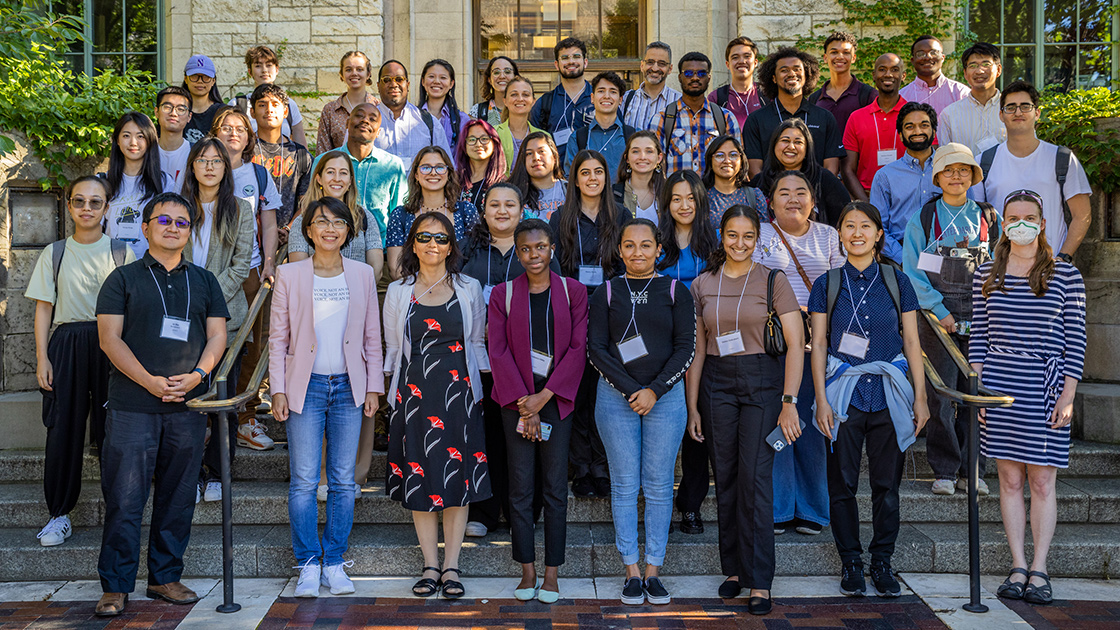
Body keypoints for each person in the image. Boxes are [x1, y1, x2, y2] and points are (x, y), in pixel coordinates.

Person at [93, 192, 229, 617]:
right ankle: (115, 586)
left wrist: (198, 376)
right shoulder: (123, 278)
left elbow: (218, 336)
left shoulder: (204, 280)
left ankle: (164, 577)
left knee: (178, 497)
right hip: (133, 405)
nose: (173, 228)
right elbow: (109, 339)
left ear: (190, 232)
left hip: (187, 409)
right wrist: (149, 381)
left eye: (182, 222)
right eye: (164, 220)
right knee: (125, 498)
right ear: (147, 227)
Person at [686, 204, 804, 614]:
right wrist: (692, 406)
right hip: (716, 383)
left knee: (756, 477)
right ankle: (734, 570)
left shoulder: (774, 280)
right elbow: (697, 349)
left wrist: (789, 402)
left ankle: (760, 580)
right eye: (732, 235)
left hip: (762, 382)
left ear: (758, 239)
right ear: (722, 237)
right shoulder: (701, 284)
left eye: (748, 236)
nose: (739, 243)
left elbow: (794, 346)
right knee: (728, 476)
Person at [971, 190, 1086, 606]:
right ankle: (1017, 565)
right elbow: (979, 340)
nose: (1021, 223)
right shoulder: (987, 271)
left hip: (1046, 385)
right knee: (1009, 479)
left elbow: (1077, 338)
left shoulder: (1065, 274)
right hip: (1000, 385)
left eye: (1029, 216)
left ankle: (1039, 567)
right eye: (1013, 216)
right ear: (1002, 222)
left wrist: (1068, 394)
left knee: (1041, 479)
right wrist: (978, 392)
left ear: (1042, 221)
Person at [808, 201, 928, 599]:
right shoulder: (826, 284)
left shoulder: (898, 282)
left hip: (890, 393)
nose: (856, 233)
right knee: (841, 483)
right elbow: (820, 344)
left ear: (879, 234)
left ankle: (882, 561)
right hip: (844, 393)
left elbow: (912, 342)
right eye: (848, 226)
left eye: (865, 226)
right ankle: (851, 562)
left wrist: (921, 398)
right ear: (839, 234)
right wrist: (821, 401)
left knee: (886, 485)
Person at [269, 197, 382, 597]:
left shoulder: (363, 274)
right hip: (306, 386)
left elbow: (372, 335)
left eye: (338, 222)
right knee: (302, 481)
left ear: (349, 231)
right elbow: (278, 338)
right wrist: (278, 388)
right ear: (309, 230)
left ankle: (334, 561)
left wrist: (373, 386)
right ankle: (307, 564)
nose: (330, 228)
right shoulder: (289, 274)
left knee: (342, 480)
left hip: (349, 386)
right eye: (321, 222)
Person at [384, 212, 491, 600]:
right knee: (421, 478)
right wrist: (390, 396)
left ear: (452, 246)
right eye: (425, 237)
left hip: (459, 395)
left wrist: (481, 391)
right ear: (413, 243)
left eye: (441, 238)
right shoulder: (399, 291)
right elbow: (394, 350)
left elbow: (477, 343)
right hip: (413, 395)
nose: (433, 244)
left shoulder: (469, 287)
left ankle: (452, 567)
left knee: (457, 481)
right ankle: (430, 565)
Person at [589, 218, 696, 606]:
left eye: (645, 245)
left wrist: (654, 390)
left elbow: (686, 348)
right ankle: (631, 571)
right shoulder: (606, 293)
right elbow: (596, 350)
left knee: (657, 484)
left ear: (658, 249)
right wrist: (634, 390)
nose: (637, 252)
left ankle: (654, 570)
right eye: (629, 245)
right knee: (624, 485)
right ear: (619, 250)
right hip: (616, 398)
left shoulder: (675, 291)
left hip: (665, 400)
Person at [26, 177, 136, 548]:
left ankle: (120, 513)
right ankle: (58, 514)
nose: (87, 208)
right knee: (63, 429)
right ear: (69, 207)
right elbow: (44, 309)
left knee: (115, 431)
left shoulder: (122, 253)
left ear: (107, 208)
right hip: (67, 343)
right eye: (79, 202)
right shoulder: (54, 253)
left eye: (95, 202)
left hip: (112, 345)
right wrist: (43, 357)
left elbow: (134, 312)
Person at [487, 219, 588, 604]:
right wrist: (523, 405)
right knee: (520, 487)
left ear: (552, 249)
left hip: (555, 402)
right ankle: (526, 569)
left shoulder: (573, 292)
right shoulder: (503, 294)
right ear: (517, 251)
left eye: (540, 247)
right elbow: (497, 351)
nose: (534, 255)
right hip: (515, 403)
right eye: (526, 249)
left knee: (554, 489)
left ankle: (551, 573)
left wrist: (542, 398)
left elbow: (578, 350)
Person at [901, 143, 999, 496]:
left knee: (974, 394)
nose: (956, 177)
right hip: (935, 317)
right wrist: (939, 311)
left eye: (963, 171)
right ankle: (943, 470)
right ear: (938, 177)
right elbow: (911, 271)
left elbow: (1000, 267)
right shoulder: (924, 218)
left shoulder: (988, 217)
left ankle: (974, 471)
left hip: (982, 316)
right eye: (948, 171)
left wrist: (991, 309)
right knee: (941, 394)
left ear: (973, 176)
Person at [460, 184, 558, 538]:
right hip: (480, 360)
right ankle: (485, 510)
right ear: (483, 211)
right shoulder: (467, 250)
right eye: (494, 204)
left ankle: (526, 510)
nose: (502, 211)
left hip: (526, 364)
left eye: (510, 204)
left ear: (522, 210)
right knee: (485, 437)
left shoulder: (536, 248)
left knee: (525, 434)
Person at [753, 170, 845, 536]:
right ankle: (777, 508)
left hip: (816, 343)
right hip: (771, 342)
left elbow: (841, 285)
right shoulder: (760, 234)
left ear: (813, 200)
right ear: (770, 201)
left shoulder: (829, 235)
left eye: (801, 192)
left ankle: (811, 508)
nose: (793, 198)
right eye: (784, 192)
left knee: (811, 425)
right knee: (775, 422)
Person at [289, 152, 385, 497]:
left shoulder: (365, 218)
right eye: (330, 171)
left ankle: (353, 477)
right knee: (317, 391)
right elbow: (298, 265)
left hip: (356, 310)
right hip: (315, 312)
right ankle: (321, 475)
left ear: (351, 179)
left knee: (357, 388)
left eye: (344, 172)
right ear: (318, 177)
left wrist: (353, 286)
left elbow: (376, 263)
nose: (337, 177)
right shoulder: (305, 217)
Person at [550, 150, 628, 498]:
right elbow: (553, 270)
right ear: (575, 178)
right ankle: (581, 467)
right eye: (585, 172)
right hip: (572, 314)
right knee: (578, 393)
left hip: (611, 314)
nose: (592, 178)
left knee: (606, 393)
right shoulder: (560, 218)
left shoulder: (621, 215)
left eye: (599, 172)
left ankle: (603, 466)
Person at [181, 138, 254, 503]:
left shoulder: (240, 209)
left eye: (216, 161)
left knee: (223, 401)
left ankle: (217, 472)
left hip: (228, 319)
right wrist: (189, 299)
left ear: (226, 168)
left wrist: (205, 297)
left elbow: (242, 265)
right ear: (191, 166)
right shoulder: (178, 208)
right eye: (202, 160)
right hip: (182, 320)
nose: (209, 167)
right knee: (190, 402)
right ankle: (190, 473)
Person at [211, 107, 281, 451]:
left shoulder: (258, 174)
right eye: (225, 127)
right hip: (213, 273)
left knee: (254, 344)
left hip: (251, 272)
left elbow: (269, 223)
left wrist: (268, 263)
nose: (232, 133)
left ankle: (246, 417)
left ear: (249, 135)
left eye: (239, 128)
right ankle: (212, 419)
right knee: (214, 342)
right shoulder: (204, 171)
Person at [656, 170, 718, 535]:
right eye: (676, 198)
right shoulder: (657, 241)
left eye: (690, 198)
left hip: (706, 346)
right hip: (662, 345)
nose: (683, 205)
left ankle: (690, 505)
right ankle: (658, 501)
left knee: (698, 431)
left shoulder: (713, 244)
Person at [974, 81, 1092, 259]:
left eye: (1025, 106)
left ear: (1037, 113)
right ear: (1001, 115)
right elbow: (977, 219)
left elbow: (1082, 214)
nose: (1018, 112)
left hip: (1050, 266)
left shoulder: (1062, 159)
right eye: (1011, 107)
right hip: (1001, 266)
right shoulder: (983, 161)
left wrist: (1063, 258)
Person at [742, 47, 844, 179]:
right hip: (772, 196)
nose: (791, 74)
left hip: (816, 196)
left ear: (806, 75)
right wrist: (778, 195)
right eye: (784, 70)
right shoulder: (756, 120)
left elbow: (831, 168)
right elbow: (755, 171)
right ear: (773, 78)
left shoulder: (825, 118)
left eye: (797, 69)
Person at [311, 103, 407, 241]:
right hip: (333, 246)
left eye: (372, 119)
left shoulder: (393, 165)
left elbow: (398, 215)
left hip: (381, 249)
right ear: (347, 123)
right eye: (359, 115)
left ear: (378, 132)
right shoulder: (323, 161)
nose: (365, 120)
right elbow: (313, 204)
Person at [386, 146, 480, 279]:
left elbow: (476, 262)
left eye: (440, 167)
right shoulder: (401, 215)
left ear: (448, 174)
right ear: (416, 175)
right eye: (426, 167)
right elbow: (396, 269)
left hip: (459, 291)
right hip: (413, 293)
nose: (433, 173)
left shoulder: (466, 212)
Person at [870, 102, 940, 264]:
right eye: (910, 127)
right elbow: (878, 228)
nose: (918, 131)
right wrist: (905, 259)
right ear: (900, 135)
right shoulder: (884, 176)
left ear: (934, 131)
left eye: (924, 125)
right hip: (899, 258)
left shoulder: (951, 171)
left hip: (945, 254)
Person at [749, 118, 850, 227]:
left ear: (807, 148)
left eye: (798, 142)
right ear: (774, 145)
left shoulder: (824, 179)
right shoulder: (759, 183)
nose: (791, 147)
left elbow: (845, 217)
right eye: (785, 141)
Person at [655, 51, 741, 176]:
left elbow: (737, 162)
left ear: (709, 78)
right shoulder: (662, 118)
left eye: (701, 73)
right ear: (680, 77)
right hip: (676, 194)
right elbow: (655, 165)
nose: (695, 78)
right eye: (689, 73)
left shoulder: (726, 118)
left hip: (714, 194)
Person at [104, 112, 175, 258]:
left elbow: (169, 226)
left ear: (150, 140)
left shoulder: (164, 183)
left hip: (150, 266)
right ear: (117, 140)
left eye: (140, 136)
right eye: (126, 136)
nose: (133, 142)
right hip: (110, 265)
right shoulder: (103, 182)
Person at [842, 53, 907, 201]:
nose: (888, 74)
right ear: (874, 75)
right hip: (866, 195)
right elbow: (847, 169)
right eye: (882, 69)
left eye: (894, 70)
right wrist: (867, 205)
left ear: (903, 76)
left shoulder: (914, 115)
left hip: (907, 198)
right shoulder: (856, 118)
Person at [250, 83, 313, 231]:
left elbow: (308, 202)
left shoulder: (301, 155)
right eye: (262, 105)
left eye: (275, 104)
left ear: (285, 112)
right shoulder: (243, 151)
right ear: (252, 112)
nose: (269, 110)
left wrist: (288, 230)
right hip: (250, 236)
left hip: (290, 239)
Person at [375, 60, 453, 167]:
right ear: (378, 86)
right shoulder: (365, 123)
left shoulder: (429, 122)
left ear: (407, 85)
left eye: (399, 79)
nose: (393, 84)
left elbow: (447, 168)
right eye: (387, 80)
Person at [531, 37, 594, 163]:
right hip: (557, 177)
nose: (571, 61)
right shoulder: (545, 103)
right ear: (556, 64)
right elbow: (533, 142)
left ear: (585, 62)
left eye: (576, 57)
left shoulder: (600, 99)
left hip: (594, 175)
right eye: (565, 58)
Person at [229, 46, 307, 147]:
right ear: (250, 72)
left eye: (269, 65)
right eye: (258, 66)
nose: (264, 70)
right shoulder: (238, 105)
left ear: (277, 70)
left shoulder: (289, 104)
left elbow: (301, 147)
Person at [564, 71, 634, 184]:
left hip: (624, 201)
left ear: (620, 100)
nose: (607, 96)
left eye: (613, 92)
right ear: (592, 98)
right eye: (601, 91)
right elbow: (570, 177)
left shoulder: (632, 136)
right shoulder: (577, 138)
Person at [937, 43, 1005, 157]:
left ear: (998, 70)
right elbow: (946, 158)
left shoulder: (1014, 110)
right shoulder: (949, 115)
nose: (979, 71)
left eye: (986, 64)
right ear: (965, 73)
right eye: (973, 66)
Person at [807, 32, 877, 133]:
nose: (840, 56)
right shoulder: (814, 99)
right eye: (834, 52)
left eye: (846, 53)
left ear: (853, 58)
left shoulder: (868, 95)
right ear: (825, 58)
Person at [316, 51, 380, 154]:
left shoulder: (378, 107)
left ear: (368, 74)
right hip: (338, 168)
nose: (354, 73)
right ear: (341, 74)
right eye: (348, 69)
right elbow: (323, 152)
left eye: (359, 69)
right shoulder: (330, 110)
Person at [703, 134, 768, 225]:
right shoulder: (701, 196)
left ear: (741, 160)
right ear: (710, 161)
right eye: (720, 155)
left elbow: (763, 235)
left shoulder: (754, 196)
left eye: (733, 155)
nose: (727, 161)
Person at [898, 36, 968, 115]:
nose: (928, 57)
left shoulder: (960, 93)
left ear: (942, 58)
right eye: (920, 54)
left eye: (933, 52)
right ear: (912, 60)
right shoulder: (902, 96)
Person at [622, 42, 682, 131]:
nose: (655, 68)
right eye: (650, 62)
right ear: (642, 66)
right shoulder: (625, 99)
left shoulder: (679, 101)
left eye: (661, 64)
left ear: (670, 69)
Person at [708, 37, 765, 129]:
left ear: (755, 62)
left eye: (747, 56)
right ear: (728, 64)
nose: (742, 61)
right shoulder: (716, 98)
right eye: (735, 57)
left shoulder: (767, 95)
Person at [495, 76, 547, 176]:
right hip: (503, 190)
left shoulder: (544, 137)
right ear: (505, 101)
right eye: (514, 94)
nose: (520, 99)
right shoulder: (493, 133)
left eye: (525, 95)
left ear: (533, 102)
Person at [510, 132, 566, 220]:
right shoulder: (513, 194)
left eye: (541, 151)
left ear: (554, 157)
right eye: (529, 153)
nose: (536, 158)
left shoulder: (569, 190)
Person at [613, 131, 664, 222]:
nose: (642, 157)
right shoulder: (613, 195)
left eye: (649, 151)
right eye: (636, 151)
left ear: (659, 158)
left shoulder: (669, 193)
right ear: (627, 158)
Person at [420, 59, 469, 152]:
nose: (437, 81)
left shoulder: (462, 120)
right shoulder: (413, 117)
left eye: (443, 78)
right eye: (431, 76)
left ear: (451, 84)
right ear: (423, 81)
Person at [456, 119, 505, 209]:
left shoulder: (503, 184)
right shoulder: (454, 180)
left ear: (494, 143)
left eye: (484, 139)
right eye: (472, 139)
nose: (478, 144)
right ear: (464, 145)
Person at [155, 86, 193, 192]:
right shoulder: (145, 152)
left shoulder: (196, 153)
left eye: (181, 109)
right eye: (167, 107)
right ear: (156, 112)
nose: (173, 113)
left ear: (189, 116)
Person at [181, 54, 223, 145]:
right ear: (186, 79)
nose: (200, 81)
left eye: (206, 77)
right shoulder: (176, 112)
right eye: (194, 76)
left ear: (213, 81)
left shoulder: (223, 113)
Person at [471, 56, 519, 127]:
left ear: (515, 77)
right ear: (489, 80)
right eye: (496, 72)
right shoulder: (477, 111)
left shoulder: (524, 107)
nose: (502, 76)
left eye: (507, 71)